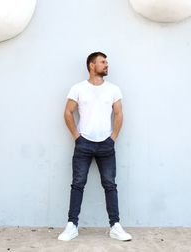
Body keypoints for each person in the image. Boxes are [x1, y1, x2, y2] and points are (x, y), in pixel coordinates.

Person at [58, 52, 132, 241]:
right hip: (84, 144)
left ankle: (115, 226)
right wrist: (77, 136)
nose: (106, 65)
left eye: (106, 62)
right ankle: (72, 226)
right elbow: (67, 112)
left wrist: (113, 137)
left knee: (110, 185)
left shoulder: (113, 89)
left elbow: (119, 114)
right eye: (102, 62)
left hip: (106, 145)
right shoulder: (78, 88)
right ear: (92, 65)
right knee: (77, 184)